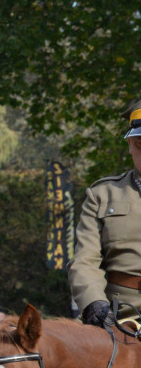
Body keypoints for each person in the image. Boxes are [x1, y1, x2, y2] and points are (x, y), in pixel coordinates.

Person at [69, 99, 141, 327]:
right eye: (140, 144)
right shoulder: (103, 194)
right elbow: (85, 260)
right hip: (119, 314)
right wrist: (94, 303)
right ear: (129, 143)